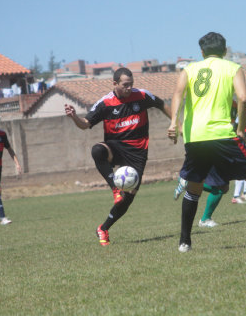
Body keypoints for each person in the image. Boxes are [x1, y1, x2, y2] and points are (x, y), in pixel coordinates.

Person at [167, 31, 246, 252]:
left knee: (194, 187)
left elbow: (177, 94)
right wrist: (241, 128)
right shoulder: (233, 68)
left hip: (195, 138)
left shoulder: (188, 70)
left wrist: (172, 123)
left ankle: (184, 242)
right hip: (223, 135)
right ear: (225, 50)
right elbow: (244, 98)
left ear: (201, 52)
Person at [65, 67, 172, 245]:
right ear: (115, 84)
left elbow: (163, 105)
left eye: (131, 85)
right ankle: (115, 189)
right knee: (97, 150)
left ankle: (103, 228)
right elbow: (85, 124)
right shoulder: (105, 103)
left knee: (127, 200)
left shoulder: (142, 96)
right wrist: (74, 116)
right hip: (115, 147)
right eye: (125, 85)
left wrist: (175, 123)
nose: (129, 88)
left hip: (138, 152)